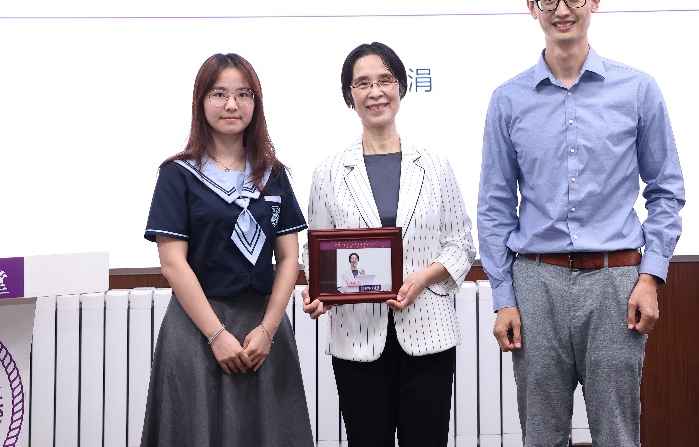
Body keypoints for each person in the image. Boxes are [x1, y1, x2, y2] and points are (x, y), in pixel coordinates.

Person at [478, 0, 685, 447]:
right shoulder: (508, 100)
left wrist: (650, 277)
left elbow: (666, 191)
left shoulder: (637, 90)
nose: (562, 9)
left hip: (616, 281)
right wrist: (504, 297)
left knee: (617, 433)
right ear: (532, 8)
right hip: (536, 282)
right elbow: (495, 206)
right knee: (542, 435)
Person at [302, 42, 476, 447]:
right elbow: (316, 251)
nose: (375, 91)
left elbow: (461, 244)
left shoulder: (434, 164)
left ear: (401, 87)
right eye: (362, 83)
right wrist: (320, 290)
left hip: (429, 332)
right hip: (357, 336)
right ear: (350, 95)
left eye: (385, 80)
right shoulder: (328, 171)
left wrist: (423, 277)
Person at [141, 53, 314, 447]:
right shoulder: (177, 174)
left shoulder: (273, 173)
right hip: (197, 328)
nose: (232, 104)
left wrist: (268, 330)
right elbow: (172, 262)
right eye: (219, 94)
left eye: (243, 94)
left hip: (263, 332)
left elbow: (289, 257)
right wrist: (216, 334)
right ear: (201, 101)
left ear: (256, 102)